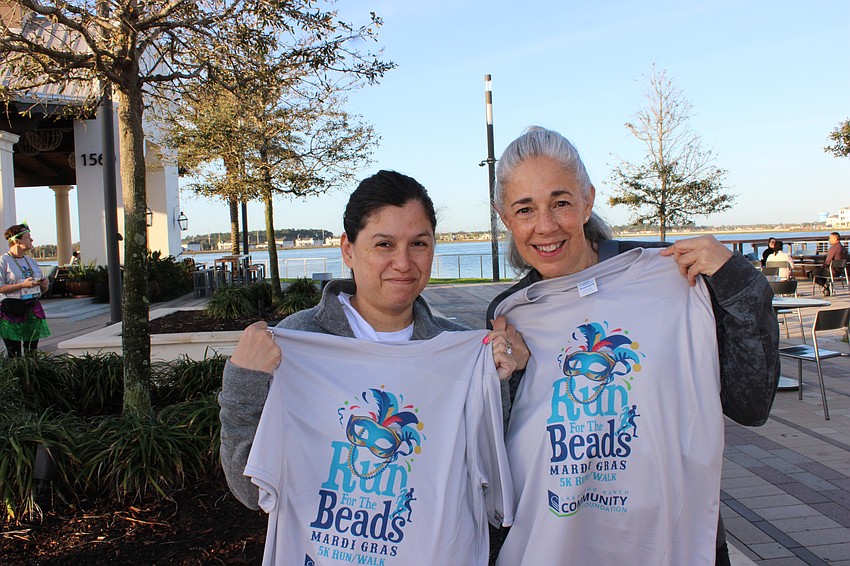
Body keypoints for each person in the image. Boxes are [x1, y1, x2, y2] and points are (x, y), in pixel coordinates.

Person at [485, 127, 779, 566]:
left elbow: (751, 404)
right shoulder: (511, 314)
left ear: (588, 201)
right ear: (504, 217)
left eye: (561, 202)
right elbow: (497, 453)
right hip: (563, 545)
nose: (545, 225)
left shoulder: (677, 279)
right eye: (525, 209)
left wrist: (737, 282)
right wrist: (513, 376)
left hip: (670, 544)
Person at [219, 170, 524, 565]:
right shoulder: (295, 343)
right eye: (384, 244)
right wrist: (244, 381)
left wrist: (505, 378)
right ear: (347, 249)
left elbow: (495, 469)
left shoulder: (462, 350)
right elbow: (250, 489)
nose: (404, 263)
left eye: (419, 244)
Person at [0, 223, 51, 357]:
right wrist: (22, 285)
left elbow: (41, 290)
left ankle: (32, 370)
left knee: (32, 351)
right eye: (27, 237)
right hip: (12, 309)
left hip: (32, 308)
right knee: (14, 353)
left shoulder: (31, 261)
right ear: (16, 241)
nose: (31, 240)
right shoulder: (4, 261)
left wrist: (44, 284)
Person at [812, 232, 848, 296]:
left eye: (830, 238)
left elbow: (827, 262)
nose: (829, 240)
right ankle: (826, 286)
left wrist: (823, 267)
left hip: (832, 271)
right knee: (820, 272)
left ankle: (825, 286)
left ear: (835, 239)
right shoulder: (844, 249)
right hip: (840, 272)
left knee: (812, 273)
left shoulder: (833, 249)